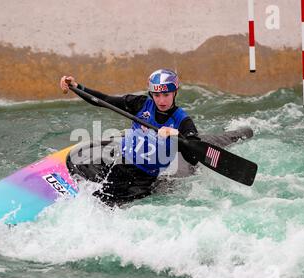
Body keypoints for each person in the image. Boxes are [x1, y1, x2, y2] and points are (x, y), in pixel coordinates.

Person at [60, 69, 200, 206]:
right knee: (90, 187)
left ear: (175, 92)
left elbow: (194, 157)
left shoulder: (182, 120)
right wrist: (77, 87)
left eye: (166, 94)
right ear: (151, 93)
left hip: (143, 179)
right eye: (156, 95)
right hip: (120, 162)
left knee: (107, 203)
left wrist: (177, 135)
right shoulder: (140, 104)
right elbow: (104, 100)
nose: (161, 100)